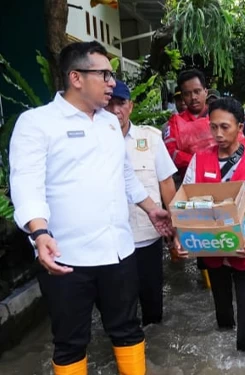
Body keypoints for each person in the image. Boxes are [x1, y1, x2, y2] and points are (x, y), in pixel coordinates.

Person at [9, 41, 173, 375]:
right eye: (104, 75)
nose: (112, 83)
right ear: (76, 78)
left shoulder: (110, 123)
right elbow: (26, 185)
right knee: (70, 341)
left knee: (128, 329)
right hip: (66, 257)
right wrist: (40, 233)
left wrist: (151, 208)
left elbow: (126, 175)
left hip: (118, 252)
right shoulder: (37, 123)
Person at [174, 98, 245, 352]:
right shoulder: (199, 160)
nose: (218, 134)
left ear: (240, 126)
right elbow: (184, 198)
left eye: (225, 127)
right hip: (212, 246)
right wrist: (180, 235)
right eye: (213, 127)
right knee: (220, 299)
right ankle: (223, 337)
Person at [106, 80, 178, 326]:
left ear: (131, 106)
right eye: (109, 103)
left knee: (152, 306)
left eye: (121, 103)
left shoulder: (151, 139)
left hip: (147, 237)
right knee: (118, 306)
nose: (115, 110)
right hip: (111, 241)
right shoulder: (92, 143)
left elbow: (167, 184)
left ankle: (154, 355)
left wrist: (175, 230)